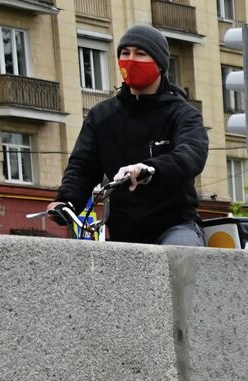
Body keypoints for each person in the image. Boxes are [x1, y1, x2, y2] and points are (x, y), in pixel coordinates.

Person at [50, 25, 208, 246]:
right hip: (124, 233)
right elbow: (82, 168)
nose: (131, 60)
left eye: (140, 54)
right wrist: (66, 202)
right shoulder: (102, 116)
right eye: (125, 53)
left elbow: (191, 156)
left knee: (181, 257)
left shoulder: (183, 114)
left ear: (160, 65)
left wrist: (150, 169)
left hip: (175, 227)